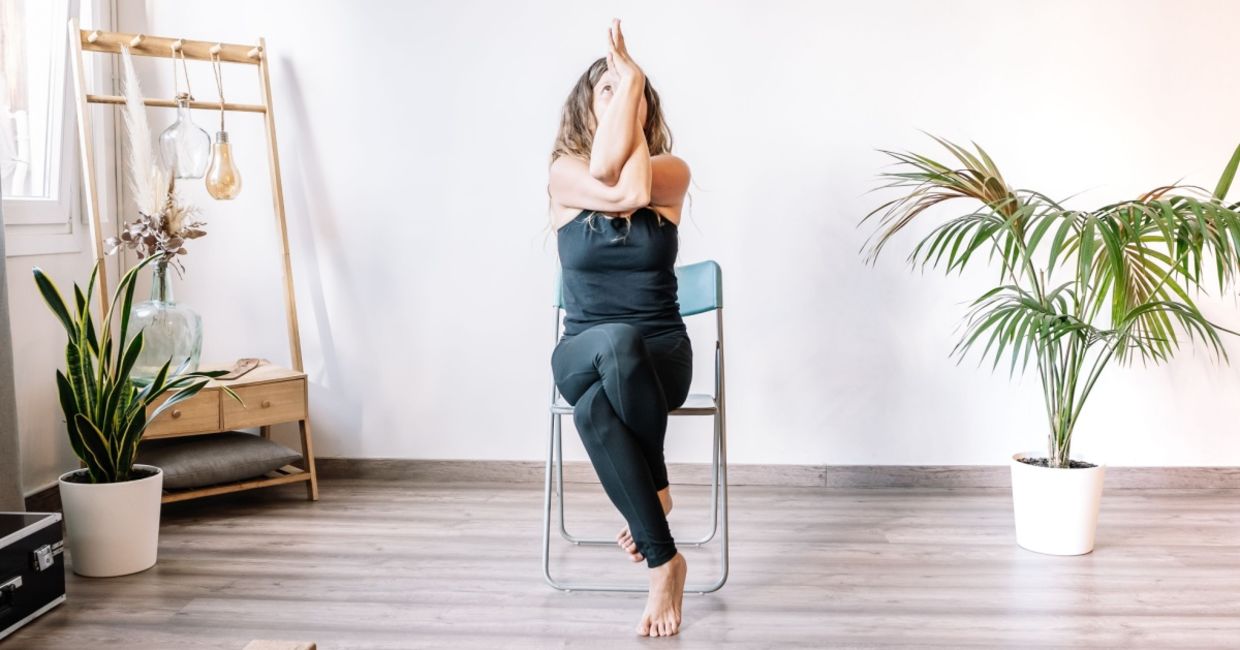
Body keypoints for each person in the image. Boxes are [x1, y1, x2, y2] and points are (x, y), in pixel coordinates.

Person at [545, 18, 693, 639]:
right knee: (611, 340)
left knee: (592, 415)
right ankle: (657, 495)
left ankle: (664, 562)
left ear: (643, 107)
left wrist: (625, 91)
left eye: (630, 90)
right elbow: (613, 177)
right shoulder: (562, 172)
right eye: (607, 88)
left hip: (660, 357)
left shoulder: (673, 172)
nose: (619, 95)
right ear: (586, 105)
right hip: (580, 350)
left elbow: (631, 181)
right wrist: (624, 83)